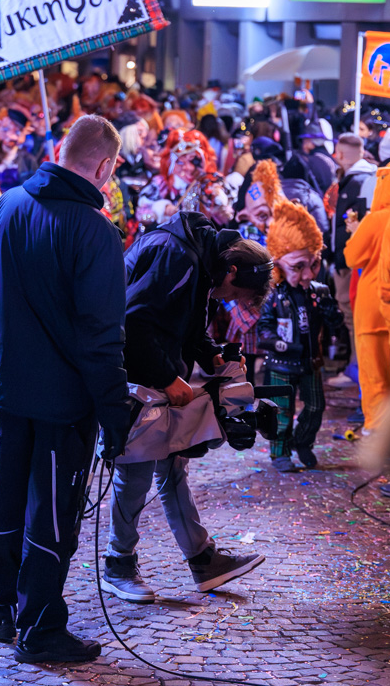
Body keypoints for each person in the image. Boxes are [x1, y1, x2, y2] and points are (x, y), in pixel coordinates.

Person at [0, 114, 131, 664]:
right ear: (105, 165)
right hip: (63, 402)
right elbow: (102, 337)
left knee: (6, 499)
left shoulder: (7, 205)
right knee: (53, 515)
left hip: (9, 391)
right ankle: (40, 627)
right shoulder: (95, 230)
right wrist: (116, 413)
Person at [102, 214, 272, 602]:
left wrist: (211, 356)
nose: (227, 300)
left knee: (173, 466)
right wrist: (166, 376)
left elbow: (184, 325)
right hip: (135, 375)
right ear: (231, 271)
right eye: (233, 294)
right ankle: (118, 564)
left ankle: (203, 560)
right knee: (136, 471)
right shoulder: (178, 255)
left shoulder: (200, 257)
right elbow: (133, 323)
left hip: (153, 373)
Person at [258, 200, 344, 472]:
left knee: (316, 407)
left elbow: (336, 324)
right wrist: (282, 344)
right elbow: (263, 329)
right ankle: (279, 452)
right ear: (279, 262)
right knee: (280, 412)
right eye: (298, 267)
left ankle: (302, 441)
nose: (308, 274)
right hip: (281, 364)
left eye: (314, 264)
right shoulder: (273, 294)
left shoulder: (319, 291)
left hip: (311, 362)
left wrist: (332, 313)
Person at [345, 165, 390, 435]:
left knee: (374, 373)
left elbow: (352, 257)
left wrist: (355, 231)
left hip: (370, 307)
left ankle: (377, 429)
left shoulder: (375, 219)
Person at [328, 133, 375, 389]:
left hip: (352, 262)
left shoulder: (357, 181)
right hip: (355, 260)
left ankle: (357, 370)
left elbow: (351, 227)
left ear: (342, 154)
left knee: (353, 316)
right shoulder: (366, 177)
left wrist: (342, 259)